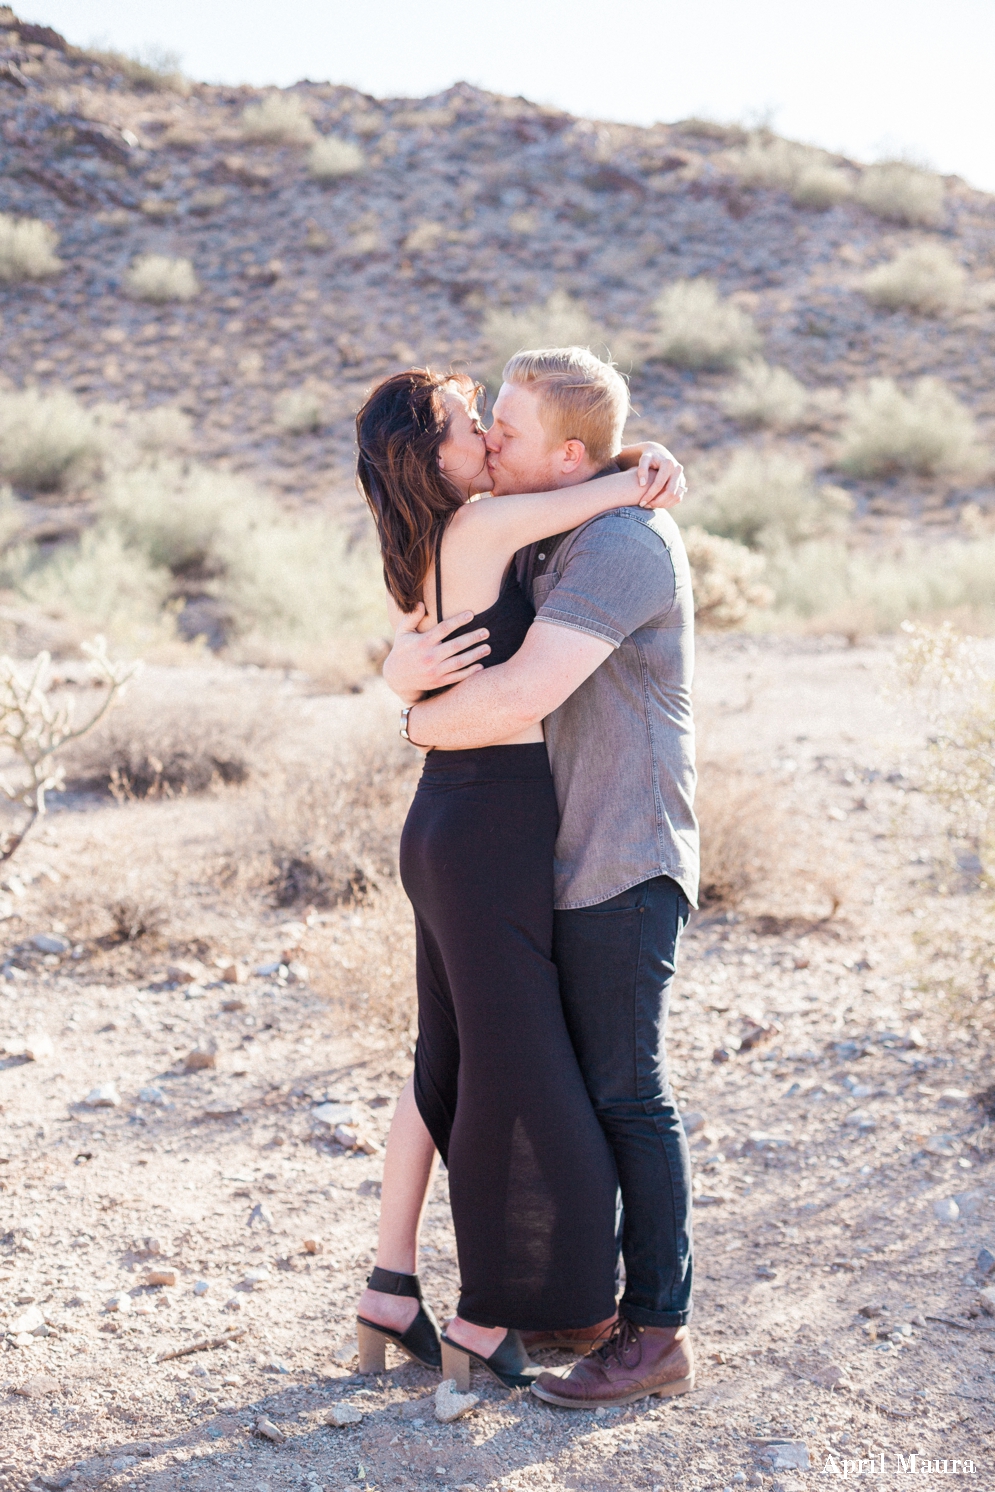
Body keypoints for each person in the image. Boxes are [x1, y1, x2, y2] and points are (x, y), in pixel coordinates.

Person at [352, 365, 685, 1392]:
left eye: (496, 424)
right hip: (493, 824)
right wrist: (639, 470)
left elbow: (455, 658)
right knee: (526, 1074)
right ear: (432, 457)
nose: (486, 443)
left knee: (450, 1063)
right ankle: (490, 1313)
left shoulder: (436, 546)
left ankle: (393, 1287)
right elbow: (509, 692)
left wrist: (401, 697)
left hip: (467, 825)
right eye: (470, 426)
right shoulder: (496, 525)